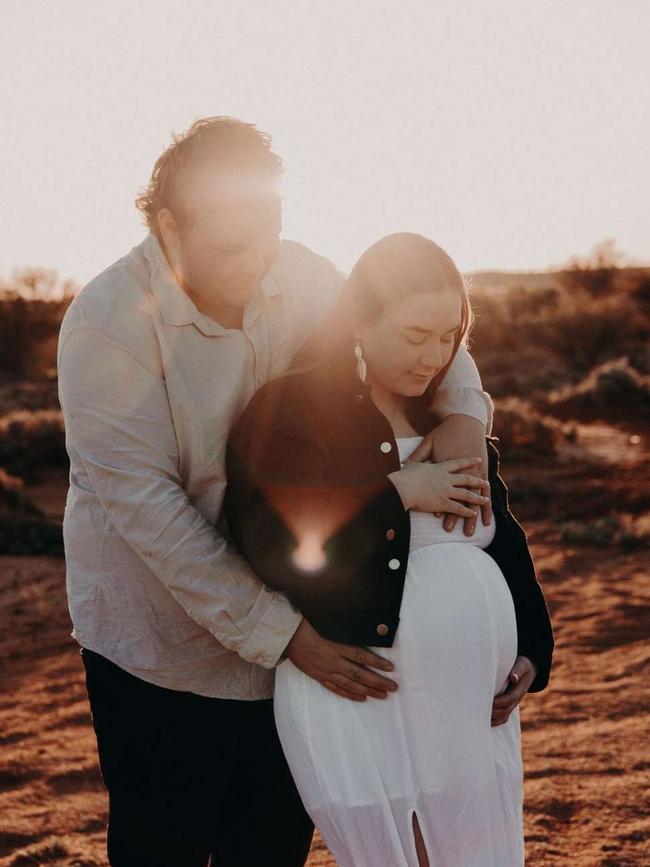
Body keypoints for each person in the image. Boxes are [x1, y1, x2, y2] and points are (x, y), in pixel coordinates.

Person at [57, 118, 495, 866]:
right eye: (233, 246)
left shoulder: (302, 274)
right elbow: (154, 517)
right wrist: (286, 636)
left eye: (270, 234)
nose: (261, 263)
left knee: (269, 846)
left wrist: (464, 414)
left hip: (297, 624)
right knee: (161, 846)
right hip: (162, 647)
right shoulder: (105, 327)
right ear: (168, 226)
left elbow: (414, 329)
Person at [225, 234, 555, 867]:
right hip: (361, 693)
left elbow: (505, 546)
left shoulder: (450, 424)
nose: (433, 357)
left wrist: (532, 651)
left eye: (448, 337)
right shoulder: (290, 410)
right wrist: (396, 493)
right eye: (414, 335)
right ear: (360, 319)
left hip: (465, 708)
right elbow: (274, 547)